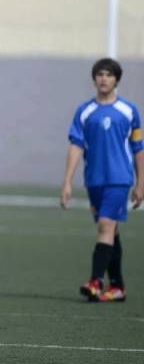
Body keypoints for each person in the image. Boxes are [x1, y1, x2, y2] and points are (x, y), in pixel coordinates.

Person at [61, 58, 143, 302]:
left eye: (108, 74)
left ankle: (95, 282)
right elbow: (76, 145)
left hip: (119, 180)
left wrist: (140, 183)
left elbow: (138, 148)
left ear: (116, 79)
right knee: (111, 231)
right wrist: (67, 181)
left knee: (104, 226)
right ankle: (117, 287)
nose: (104, 78)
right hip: (94, 180)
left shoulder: (129, 111)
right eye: (100, 74)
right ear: (94, 78)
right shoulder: (85, 111)